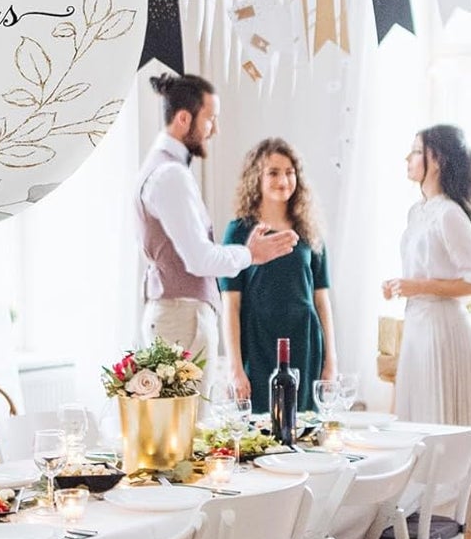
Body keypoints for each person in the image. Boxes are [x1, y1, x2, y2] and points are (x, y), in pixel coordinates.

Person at [135, 73, 296, 361]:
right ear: (184, 119)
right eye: (210, 119)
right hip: (182, 319)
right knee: (194, 408)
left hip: (175, 314)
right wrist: (250, 255)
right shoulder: (171, 175)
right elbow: (200, 259)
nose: (215, 129)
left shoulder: (162, 168)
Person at [221, 138, 337, 413]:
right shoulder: (238, 231)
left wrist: (331, 360)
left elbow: (322, 301)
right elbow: (231, 305)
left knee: (306, 426)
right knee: (260, 431)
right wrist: (235, 368)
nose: (283, 179)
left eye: (289, 171)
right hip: (258, 341)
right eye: (273, 172)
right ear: (256, 178)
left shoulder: (310, 231)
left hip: (305, 340)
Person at [382, 125, 471, 426]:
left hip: (441, 331)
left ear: (436, 159)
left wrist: (417, 286)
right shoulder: (416, 212)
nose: (408, 158)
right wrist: (400, 286)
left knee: (436, 424)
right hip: (416, 326)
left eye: (415, 151)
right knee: (413, 419)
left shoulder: (450, 213)